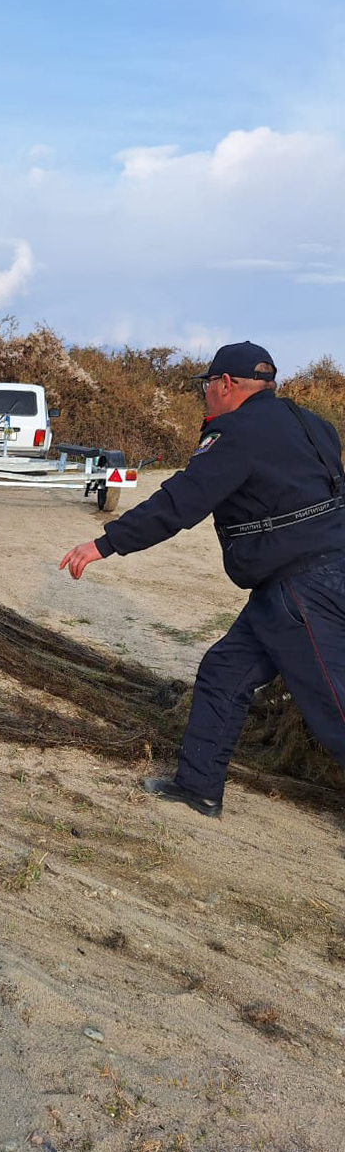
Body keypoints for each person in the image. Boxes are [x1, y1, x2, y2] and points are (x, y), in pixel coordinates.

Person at [59, 341, 345, 818]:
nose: (205, 397)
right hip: (305, 578)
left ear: (226, 385)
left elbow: (180, 502)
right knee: (223, 672)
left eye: (207, 386)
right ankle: (198, 787)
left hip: (302, 589)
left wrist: (105, 543)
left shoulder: (235, 433)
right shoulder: (312, 423)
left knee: (333, 702)